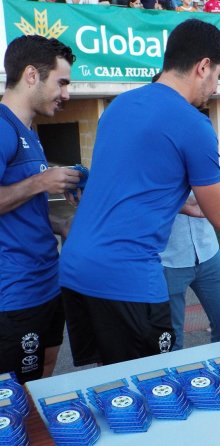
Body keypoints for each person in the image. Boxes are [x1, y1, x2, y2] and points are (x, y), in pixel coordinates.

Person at [59, 19, 220, 367]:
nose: (217, 88)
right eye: (219, 76)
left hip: (74, 268)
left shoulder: (118, 106)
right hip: (127, 276)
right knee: (153, 386)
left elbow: (138, 188)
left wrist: (186, 205)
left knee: (110, 385)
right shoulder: (193, 124)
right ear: (202, 67)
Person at [0, 36, 79, 383]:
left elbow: (21, 208)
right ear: (31, 75)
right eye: (61, 82)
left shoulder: (29, 131)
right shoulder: (2, 128)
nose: (66, 94)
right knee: (16, 394)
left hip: (48, 280)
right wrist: (41, 183)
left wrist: (59, 223)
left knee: (44, 376)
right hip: (15, 292)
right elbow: (30, 189)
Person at [161, 172, 220, 351]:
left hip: (209, 253)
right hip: (169, 259)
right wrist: (203, 195)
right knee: (171, 340)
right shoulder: (157, 158)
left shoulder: (201, 152)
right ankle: (172, 379)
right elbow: (152, 197)